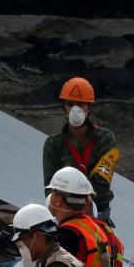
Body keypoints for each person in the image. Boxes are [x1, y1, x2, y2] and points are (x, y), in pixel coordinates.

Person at [42, 77, 119, 219]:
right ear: (64, 107)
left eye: (81, 104)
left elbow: (101, 185)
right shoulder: (53, 144)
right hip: (64, 215)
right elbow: (50, 189)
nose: (75, 109)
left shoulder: (105, 139)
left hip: (98, 214)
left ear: (89, 107)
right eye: (70, 104)